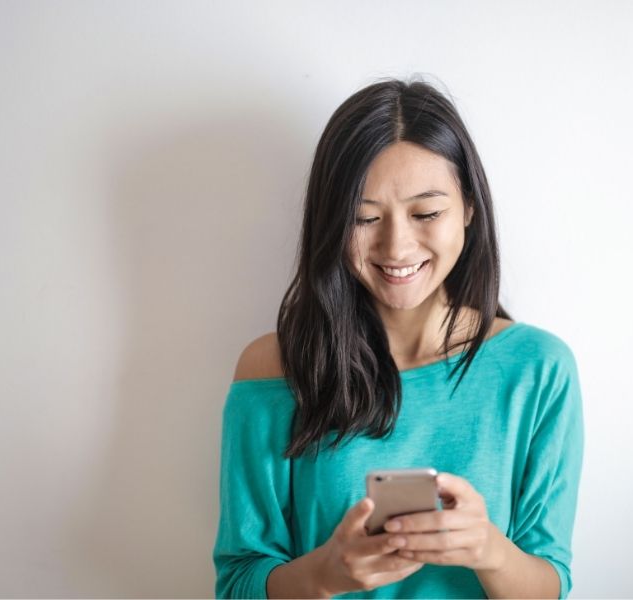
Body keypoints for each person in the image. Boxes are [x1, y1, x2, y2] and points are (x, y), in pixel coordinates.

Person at [213, 76, 584, 599]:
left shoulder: (538, 369)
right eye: (364, 218)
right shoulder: (274, 368)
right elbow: (236, 585)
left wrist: (489, 550)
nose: (397, 245)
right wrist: (324, 574)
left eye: (426, 213)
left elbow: (550, 586)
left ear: (470, 210)